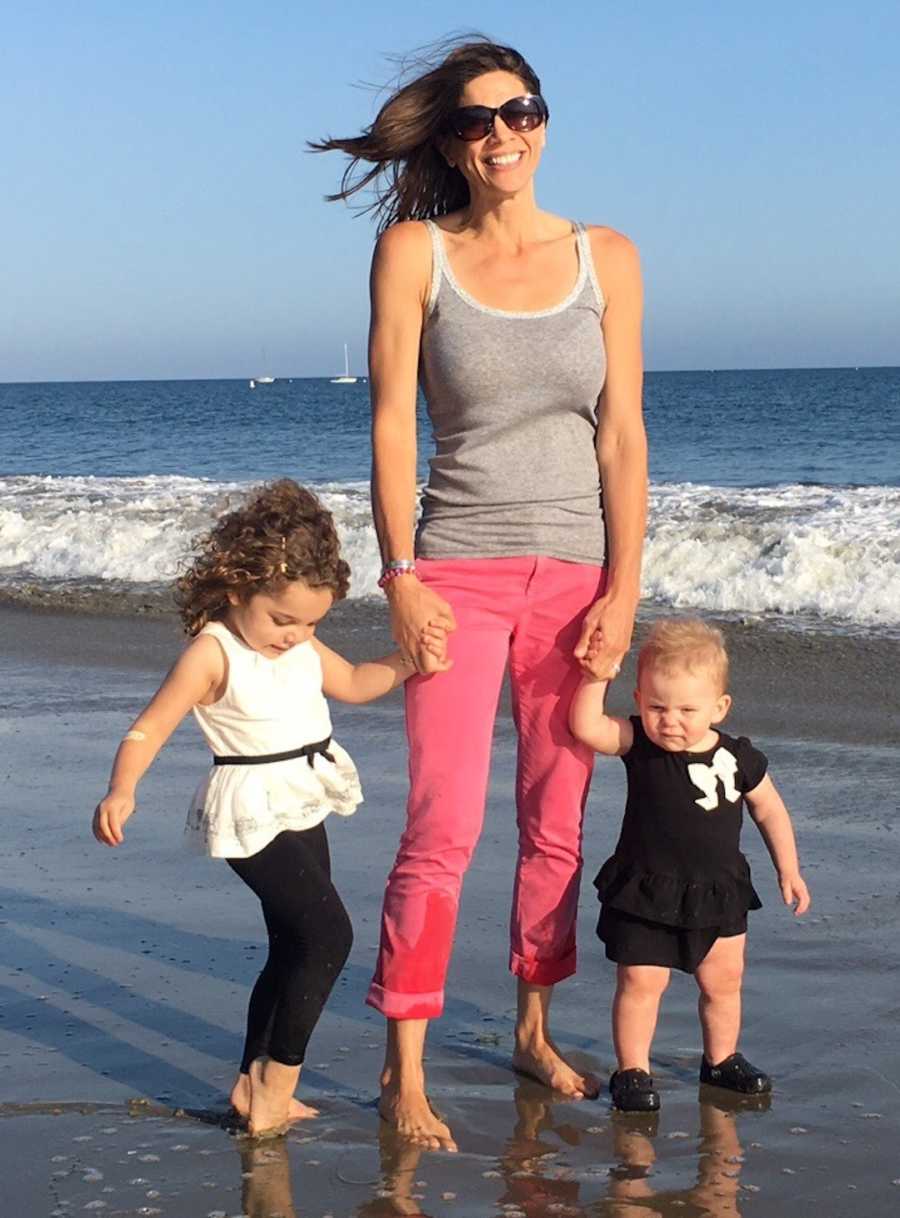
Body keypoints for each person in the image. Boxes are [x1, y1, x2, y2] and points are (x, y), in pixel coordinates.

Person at [314, 37, 647, 1147]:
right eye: (477, 121)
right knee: (443, 823)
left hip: (576, 577)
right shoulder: (416, 252)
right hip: (453, 570)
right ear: (450, 142)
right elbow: (390, 423)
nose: (503, 134)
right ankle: (403, 1069)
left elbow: (624, 443)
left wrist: (624, 590)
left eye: (522, 111)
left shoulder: (609, 255)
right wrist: (399, 576)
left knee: (557, 822)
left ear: (544, 121)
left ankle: (532, 1026)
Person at [91, 480, 448, 1137]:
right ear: (236, 591)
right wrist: (123, 788)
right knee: (328, 936)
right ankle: (275, 1086)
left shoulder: (304, 646)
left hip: (303, 794)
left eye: (311, 623)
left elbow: (356, 684)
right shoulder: (213, 652)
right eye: (283, 620)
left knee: (290, 944)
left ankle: (246, 1080)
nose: (296, 635)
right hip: (250, 809)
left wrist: (409, 662)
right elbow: (150, 727)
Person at [570, 618, 811, 1112]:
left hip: (718, 890)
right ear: (638, 701)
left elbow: (769, 809)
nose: (670, 720)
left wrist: (788, 868)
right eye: (656, 706)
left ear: (720, 707)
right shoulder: (639, 745)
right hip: (648, 891)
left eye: (686, 709)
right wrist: (599, 673)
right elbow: (586, 726)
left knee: (723, 982)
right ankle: (633, 1070)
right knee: (641, 983)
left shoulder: (738, 757)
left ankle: (721, 1059)